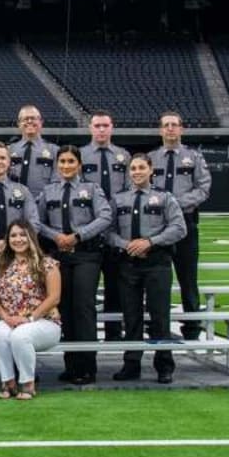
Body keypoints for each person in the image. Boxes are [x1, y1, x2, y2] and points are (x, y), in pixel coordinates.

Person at [110, 154, 188, 384]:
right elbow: (108, 231)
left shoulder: (164, 198)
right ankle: (131, 364)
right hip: (128, 263)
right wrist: (127, 245)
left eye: (141, 167)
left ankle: (164, 365)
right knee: (131, 317)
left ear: (151, 170)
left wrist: (150, 242)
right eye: (133, 168)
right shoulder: (119, 199)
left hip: (157, 263)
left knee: (159, 317)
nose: (136, 172)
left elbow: (179, 227)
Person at [37, 145, 111, 386]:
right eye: (62, 162)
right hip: (59, 256)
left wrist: (77, 236)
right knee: (65, 309)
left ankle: (88, 366)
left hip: (85, 255)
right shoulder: (48, 192)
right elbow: (36, 221)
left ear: (79, 165)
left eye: (71, 162)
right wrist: (56, 236)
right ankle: (71, 365)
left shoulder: (91, 189)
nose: (66, 166)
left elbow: (105, 217)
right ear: (57, 165)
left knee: (83, 308)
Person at [149, 111, 211, 341]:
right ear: (160, 130)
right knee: (155, 276)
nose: (170, 129)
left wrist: (174, 204)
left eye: (174, 125)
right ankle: (155, 325)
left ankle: (192, 327)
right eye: (166, 125)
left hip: (185, 222)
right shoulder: (151, 158)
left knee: (187, 277)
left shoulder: (194, 158)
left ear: (181, 129)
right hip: (156, 223)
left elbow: (203, 189)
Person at [0, 220, 62, 400]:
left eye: (22, 235)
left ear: (31, 238)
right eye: (13, 235)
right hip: (10, 319)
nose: (18, 239)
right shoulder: (0, 266)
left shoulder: (47, 264)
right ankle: (8, 383)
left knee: (20, 336)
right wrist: (5, 317)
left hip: (43, 322)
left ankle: (28, 384)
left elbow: (54, 297)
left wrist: (28, 318)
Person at [80, 110, 130, 343]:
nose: (101, 129)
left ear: (112, 127)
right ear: (90, 128)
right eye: (97, 125)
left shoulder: (123, 156)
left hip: (117, 228)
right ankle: (84, 335)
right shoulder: (79, 156)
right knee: (85, 288)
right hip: (89, 228)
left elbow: (130, 191)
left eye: (105, 125)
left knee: (115, 285)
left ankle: (113, 334)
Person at [7, 105, 59, 199]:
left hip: (42, 206)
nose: (29, 121)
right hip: (13, 205)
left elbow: (56, 183)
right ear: (19, 124)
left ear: (41, 122)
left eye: (33, 118)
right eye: (25, 119)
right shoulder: (9, 150)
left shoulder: (54, 151)